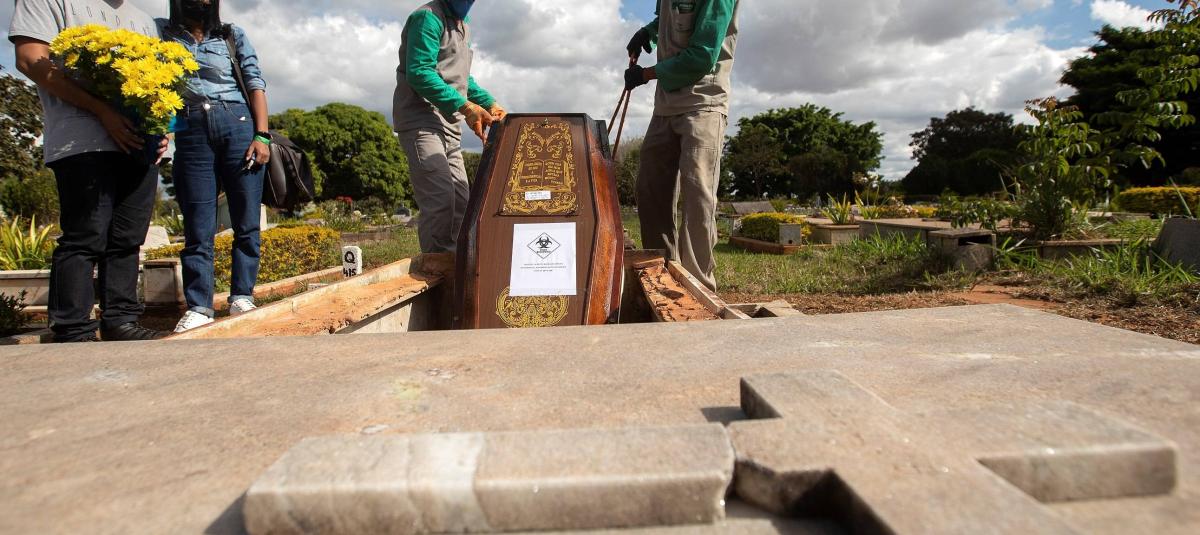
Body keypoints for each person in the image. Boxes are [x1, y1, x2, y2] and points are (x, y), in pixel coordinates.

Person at [10, 0, 170, 342]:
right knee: (85, 236)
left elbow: (162, 84)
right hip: (81, 142)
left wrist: (161, 130)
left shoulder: (145, 20)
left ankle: (121, 321)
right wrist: (101, 110)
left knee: (128, 238)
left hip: (138, 146)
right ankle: (73, 328)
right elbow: (29, 58)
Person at [160, 0, 270, 333]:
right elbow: (156, 86)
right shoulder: (162, 34)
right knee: (198, 222)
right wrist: (160, 130)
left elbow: (255, 83)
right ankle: (199, 306)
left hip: (237, 123)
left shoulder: (231, 35)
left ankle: (242, 295)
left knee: (246, 218)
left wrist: (262, 135)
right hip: (191, 128)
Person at [624, 0, 739, 292]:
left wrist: (646, 75)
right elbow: (671, 17)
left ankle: (699, 288)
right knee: (650, 189)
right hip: (665, 106)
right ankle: (660, 278)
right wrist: (647, 33)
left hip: (703, 103)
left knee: (697, 194)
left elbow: (702, 55)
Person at [393, 0, 506, 254]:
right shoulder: (427, 18)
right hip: (422, 120)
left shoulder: (463, 25)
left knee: (461, 201)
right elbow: (420, 72)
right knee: (440, 198)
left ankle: (457, 263)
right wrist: (465, 107)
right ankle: (436, 266)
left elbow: (461, 79)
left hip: (450, 124)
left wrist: (489, 103)